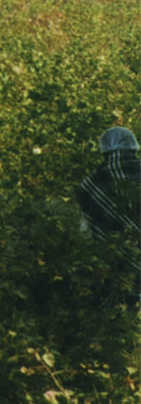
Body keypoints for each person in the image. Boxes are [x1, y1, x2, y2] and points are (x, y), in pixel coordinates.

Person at [74, 126, 141, 303]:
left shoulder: (92, 184)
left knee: (121, 298)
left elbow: (85, 231)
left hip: (116, 263)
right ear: (133, 148)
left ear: (104, 151)